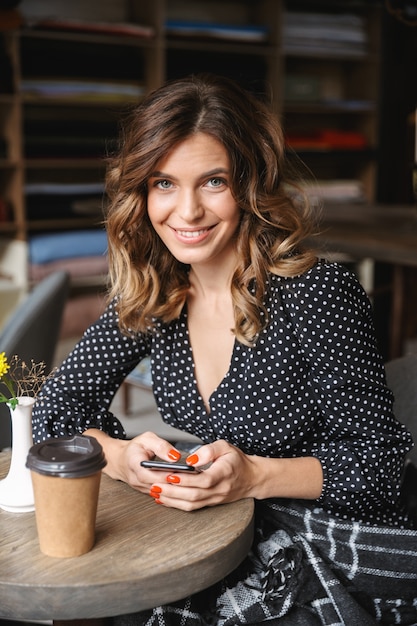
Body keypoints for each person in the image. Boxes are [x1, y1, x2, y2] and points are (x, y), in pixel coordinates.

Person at [32, 74, 417, 625]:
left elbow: (377, 466)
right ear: (139, 193)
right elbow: (54, 410)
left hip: (327, 542)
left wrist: (254, 475)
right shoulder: (154, 291)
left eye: (213, 181)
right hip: (225, 529)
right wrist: (120, 459)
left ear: (252, 183)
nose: (186, 212)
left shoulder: (317, 293)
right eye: (163, 184)